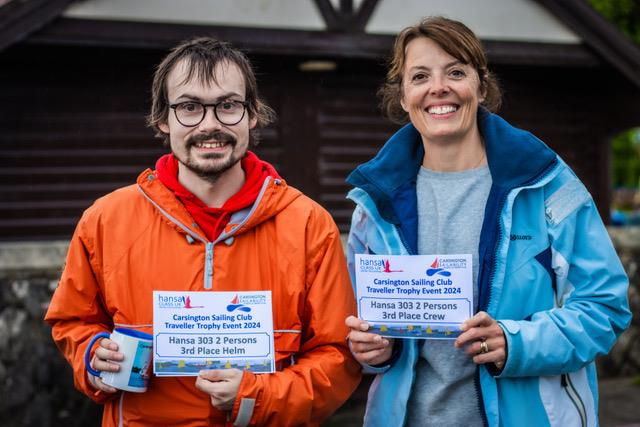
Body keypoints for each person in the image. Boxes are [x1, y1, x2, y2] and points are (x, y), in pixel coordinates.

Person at [45, 37, 360, 426]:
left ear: (251, 115)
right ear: (163, 118)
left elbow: (338, 356)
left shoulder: (309, 225)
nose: (210, 125)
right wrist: (92, 355)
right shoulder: (106, 220)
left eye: (228, 106)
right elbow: (72, 321)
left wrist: (255, 396)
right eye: (190, 107)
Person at [345, 16, 631, 427]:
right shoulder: (374, 204)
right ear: (404, 96)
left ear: (480, 85)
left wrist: (517, 343)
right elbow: (355, 326)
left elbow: (605, 305)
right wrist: (374, 349)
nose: (438, 88)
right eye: (420, 76)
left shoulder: (545, 183)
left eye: (456, 72)